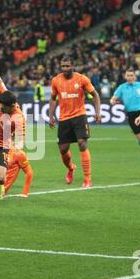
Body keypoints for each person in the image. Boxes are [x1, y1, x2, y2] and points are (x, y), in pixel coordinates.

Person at [49, 56, 101, 188]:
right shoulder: (56, 81)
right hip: (64, 118)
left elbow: (95, 95)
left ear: (72, 66)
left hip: (80, 115)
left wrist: (97, 112)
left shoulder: (82, 79)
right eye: (63, 66)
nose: (65, 68)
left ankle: (87, 179)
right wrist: (51, 116)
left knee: (82, 144)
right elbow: (53, 99)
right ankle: (71, 168)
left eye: (67, 66)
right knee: (63, 149)